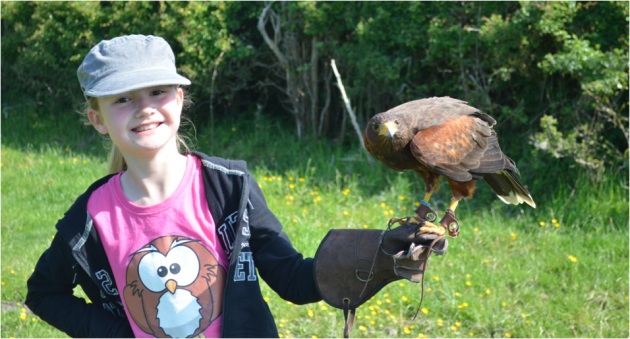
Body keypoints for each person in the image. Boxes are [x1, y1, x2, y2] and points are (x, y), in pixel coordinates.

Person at [26, 34, 447, 338]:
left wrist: (382, 252)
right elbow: (44, 294)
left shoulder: (229, 188)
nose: (144, 108)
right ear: (97, 118)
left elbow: (293, 279)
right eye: (122, 98)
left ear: (179, 99)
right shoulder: (92, 218)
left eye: (157, 91)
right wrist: (115, 333)